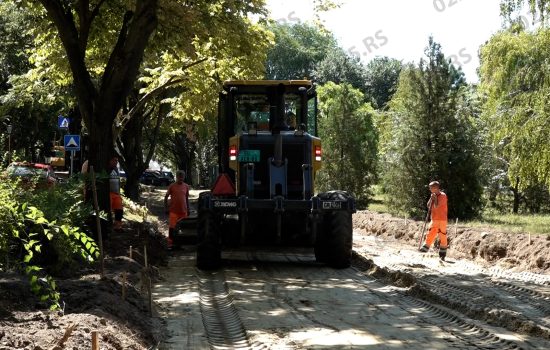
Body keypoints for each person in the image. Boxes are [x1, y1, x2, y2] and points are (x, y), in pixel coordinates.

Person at [419, 181, 448, 260]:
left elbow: (437, 206)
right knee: (431, 232)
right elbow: (429, 206)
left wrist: (435, 199)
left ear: (436, 188)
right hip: (434, 218)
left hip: (442, 219)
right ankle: (425, 247)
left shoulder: (443, 196)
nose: (429, 189)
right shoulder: (433, 195)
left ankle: (442, 252)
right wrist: (431, 198)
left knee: (442, 235)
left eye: (431, 188)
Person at [164, 170, 190, 249]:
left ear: (184, 177)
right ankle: (170, 244)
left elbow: (186, 198)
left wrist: (188, 209)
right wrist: (166, 208)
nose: (181, 179)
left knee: (182, 228)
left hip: (183, 212)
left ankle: (181, 244)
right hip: (173, 211)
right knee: (172, 228)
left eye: (182, 177)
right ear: (177, 177)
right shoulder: (172, 186)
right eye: (179, 177)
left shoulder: (186, 186)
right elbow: (166, 197)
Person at [109, 156, 124, 231]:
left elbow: (118, 181)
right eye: (114, 160)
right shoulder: (106, 168)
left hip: (116, 193)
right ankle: (108, 226)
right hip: (109, 193)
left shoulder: (116, 169)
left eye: (117, 161)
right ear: (110, 161)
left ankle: (118, 227)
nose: (116, 162)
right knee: (108, 211)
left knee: (119, 211)